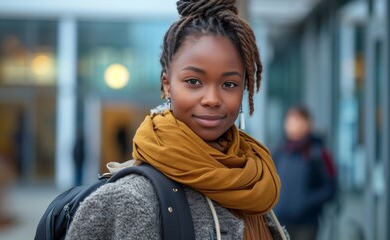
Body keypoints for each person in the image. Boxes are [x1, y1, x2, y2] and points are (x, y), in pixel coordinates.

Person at [66, 0, 288, 239]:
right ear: (167, 84)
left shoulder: (253, 180)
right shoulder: (130, 200)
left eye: (229, 84)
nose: (212, 99)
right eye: (194, 81)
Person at [273, 106, 337, 240]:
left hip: (306, 224)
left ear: (308, 124)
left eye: (297, 121)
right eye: (289, 121)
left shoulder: (319, 153)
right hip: (279, 221)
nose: (292, 125)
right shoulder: (279, 151)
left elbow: (330, 189)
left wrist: (305, 203)